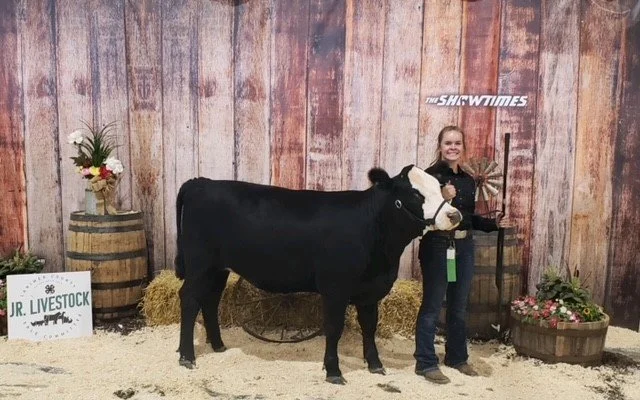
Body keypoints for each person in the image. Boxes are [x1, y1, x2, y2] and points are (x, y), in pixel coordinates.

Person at [414, 125, 510, 384]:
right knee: (433, 306)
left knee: (458, 307)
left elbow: (465, 218)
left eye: (457, 143)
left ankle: (457, 357)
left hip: (464, 247)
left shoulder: (468, 179)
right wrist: (443, 199)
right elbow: (422, 215)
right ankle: (425, 362)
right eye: (448, 143)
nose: (453, 147)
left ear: (463, 147)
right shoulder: (429, 178)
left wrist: (493, 225)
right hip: (437, 245)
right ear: (440, 146)